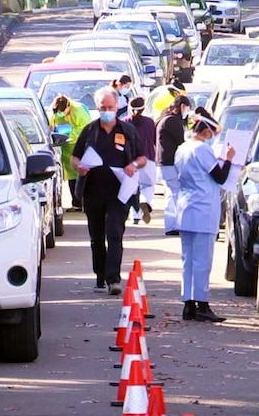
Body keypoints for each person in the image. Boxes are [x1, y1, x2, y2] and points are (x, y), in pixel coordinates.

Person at [71, 87, 148, 295]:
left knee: (114, 233)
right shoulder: (89, 131)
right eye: (103, 108)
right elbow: (74, 158)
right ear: (97, 108)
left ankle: (113, 279)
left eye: (110, 107)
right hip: (93, 192)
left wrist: (133, 164)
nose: (107, 111)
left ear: (117, 107)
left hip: (119, 192)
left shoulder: (127, 131)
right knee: (96, 237)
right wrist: (79, 166)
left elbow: (143, 158)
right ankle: (100, 275)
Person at [175, 107, 235, 322]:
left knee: (188, 260)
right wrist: (228, 159)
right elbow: (219, 177)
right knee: (202, 260)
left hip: (186, 208)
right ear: (206, 129)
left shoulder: (182, 148)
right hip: (203, 209)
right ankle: (202, 303)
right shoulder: (201, 149)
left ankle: (188, 304)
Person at [156, 95, 192, 235]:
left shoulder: (167, 119)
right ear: (182, 106)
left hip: (166, 163)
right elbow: (182, 141)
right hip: (169, 163)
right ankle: (173, 225)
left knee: (173, 193)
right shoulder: (172, 121)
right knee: (174, 194)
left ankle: (174, 224)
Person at [50, 94, 92, 211]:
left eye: (63, 111)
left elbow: (85, 128)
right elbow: (52, 124)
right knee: (72, 178)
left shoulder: (78, 110)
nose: (61, 114)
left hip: (79, 145)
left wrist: (68, 134)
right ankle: (76, 203)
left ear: (68, 106)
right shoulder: (55, 112)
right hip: (65, 148)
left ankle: (84, 203)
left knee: (82, 176)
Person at [124, 97, 157, 225]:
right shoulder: (150, 122)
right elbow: (155, 140)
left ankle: (135, 215)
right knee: (148, 185)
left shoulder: (125, 122)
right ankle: (146, 201)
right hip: (148, 158)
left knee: (132, 188)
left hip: (130, 161)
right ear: (144, 108)